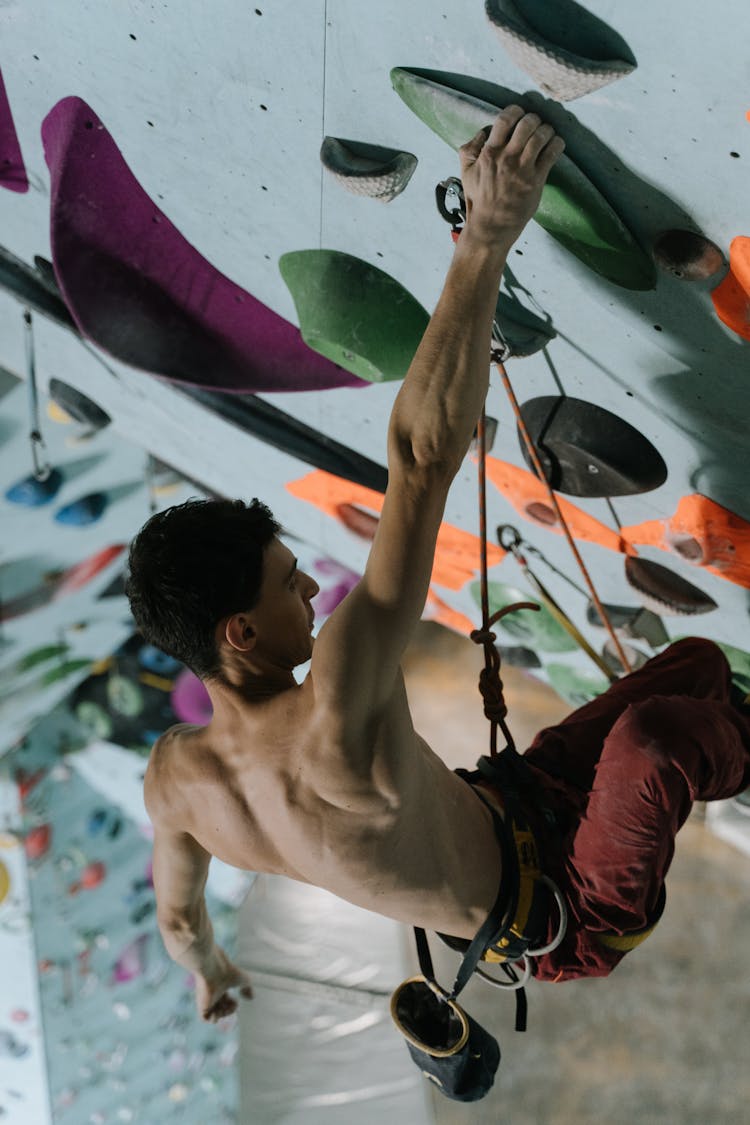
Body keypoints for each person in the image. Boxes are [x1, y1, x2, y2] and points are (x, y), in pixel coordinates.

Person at [125, 108, 750, 1023]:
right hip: (569, 910)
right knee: (659, 738)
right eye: (285, 578)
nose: (309, 585)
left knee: (697, 672)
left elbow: (179, 918)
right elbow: (421, 460)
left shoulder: (176, 782)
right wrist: (486, 236)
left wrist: (210, 970)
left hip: (519, 807)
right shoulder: (331, 705)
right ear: (240, 632)